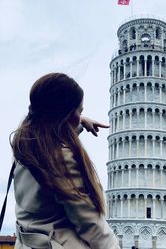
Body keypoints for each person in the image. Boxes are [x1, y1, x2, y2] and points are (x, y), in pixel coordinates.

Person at [11, 73, 120, 249]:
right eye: (80, 111)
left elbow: (50, 134)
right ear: (65, 114)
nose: (80, 115)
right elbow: (90, 223)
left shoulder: (24, 140)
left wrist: (81, 121)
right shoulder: (61, 159)